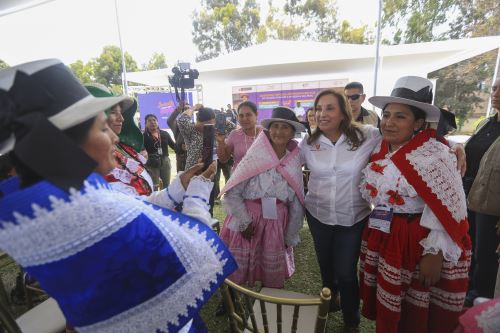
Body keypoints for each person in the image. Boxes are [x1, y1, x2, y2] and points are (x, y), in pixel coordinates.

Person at [0, 59, 236, 333]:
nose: (114, 136)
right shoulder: (94, 210)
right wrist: (197, 192)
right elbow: (196, 253)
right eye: (103, 128)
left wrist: (180, 185)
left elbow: (134, 209)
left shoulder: (46, 205)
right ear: (63, 145)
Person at [358, 76, 471, 333]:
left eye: (400, 116)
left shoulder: (434, 154)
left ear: (419, 123)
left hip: (416, 238)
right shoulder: (380, 147)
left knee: (414, 308)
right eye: (386, 115)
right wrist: (456, 144)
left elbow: (446, 205)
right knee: (390, 302)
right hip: (385, 232)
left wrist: (434, 253)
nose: (389, 122)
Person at [299, 89, 382, 331]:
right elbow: (280, 158)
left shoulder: (367, 135)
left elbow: (400, 137)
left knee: (346, 272)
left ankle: (351, 320)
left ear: (343, 112)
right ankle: (330, 299)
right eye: (318, 108)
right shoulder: (309, 142)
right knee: (326, 267)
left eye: (329, 108)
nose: (322, 114)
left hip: (353, 217)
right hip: (318, 214)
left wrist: (454, 147)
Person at [220, 107, 305, 288]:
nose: (279, 131)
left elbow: (297, 201)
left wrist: (290, 234)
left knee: (269, 269)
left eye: (285, 127)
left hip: (276, 223)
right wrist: (243, 222)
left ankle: (267, 299)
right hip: (249, 218)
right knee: (239, 266)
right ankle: (232, 297)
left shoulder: (294, 159)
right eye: (275, 126)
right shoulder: (256, 156)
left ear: (292, 133)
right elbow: (233, 192)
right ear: (269, 129)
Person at [85, 84, 154, 196]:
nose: (121, 118)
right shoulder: (96, 158)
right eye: (113, 112)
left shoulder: (126, 148)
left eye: (121, 112)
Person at [466, 78, 500, 301]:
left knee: (485, 254)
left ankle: (481, 296)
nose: (495, 92)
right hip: (471, 197)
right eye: (495, 88)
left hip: (493, 206)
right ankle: (467, 289)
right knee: (470, 249)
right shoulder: (485, 124)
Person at [216, 101, 263, 171]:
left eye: (248, 115)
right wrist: (220, 142)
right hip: (239, 179)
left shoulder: (265, 133)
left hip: (263, 179)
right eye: (241, 115)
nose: (244, 118)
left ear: (256, 114)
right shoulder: (234, 134)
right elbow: (223, 159)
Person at [143, 114, 176, 188]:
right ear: (146, 124)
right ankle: (154, 199)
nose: (152, 122)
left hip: (165, 161)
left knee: (166, 184)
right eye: (149, 121)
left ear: (157, 122)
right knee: (154, 185)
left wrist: (181, 147)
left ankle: (164, 199)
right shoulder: (144, 136)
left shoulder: (164, 134)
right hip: (152, 162)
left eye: (154, 120)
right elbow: (141, 150)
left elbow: (173, 146)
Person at [167, 102, 188, 172]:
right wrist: (178, 109)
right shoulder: (177, 125)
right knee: (181, 179)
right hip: (181, 157)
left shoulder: (194, 124)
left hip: (193, 157)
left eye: (188, 109)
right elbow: (169, 121)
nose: (187, 111)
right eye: (185, 109)